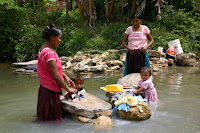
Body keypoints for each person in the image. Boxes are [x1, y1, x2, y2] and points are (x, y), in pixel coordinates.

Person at [37, 22, 77, 121]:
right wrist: (68, 89)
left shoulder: (44, 48)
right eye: (59, 38)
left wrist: (65, 76)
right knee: (55, 120)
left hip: (45, 88)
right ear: (52, 37)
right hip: (51, 90)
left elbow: (52, 69)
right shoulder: (49, 53)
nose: (60, 40)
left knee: (46, 119)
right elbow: (55, 76)